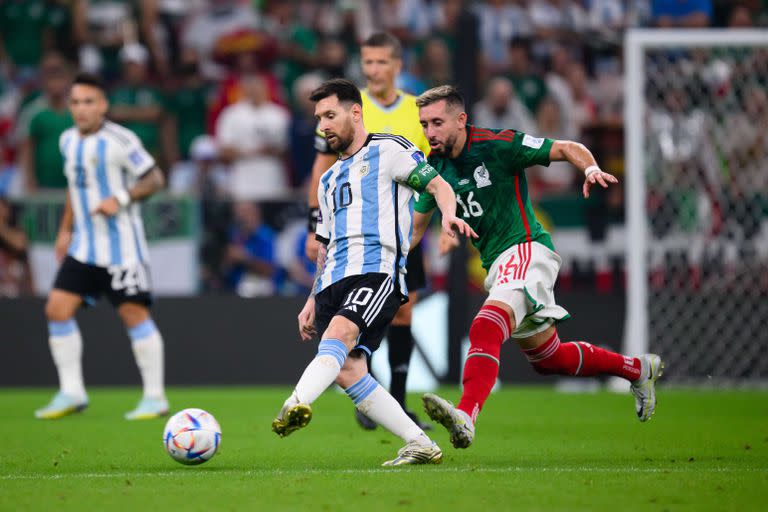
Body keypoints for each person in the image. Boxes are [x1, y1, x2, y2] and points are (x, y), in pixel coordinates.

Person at [411, 85, 663, 449]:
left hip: (528, 250)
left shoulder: (498, 145)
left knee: (486, 325)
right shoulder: (434, 168)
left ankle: (466, 415)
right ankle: (637, 369)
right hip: (498, 265)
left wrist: (590, 168)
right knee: (549, 359)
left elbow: (564, 147)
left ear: (461, 119)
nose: (430, 132)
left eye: (437, 122)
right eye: (424, 124)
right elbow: (415, 229)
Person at [271, 78, 476, 466]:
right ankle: (419, 443)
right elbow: (324, 248)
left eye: (331, 115)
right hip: (333, 279)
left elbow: (438, 185)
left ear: (355, 112)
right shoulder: (329, 180)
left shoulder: (390, 149)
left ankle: (295, 403)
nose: (324, 125)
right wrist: (311, 300)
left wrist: (449, 215)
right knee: (348, 370)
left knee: (339, 336)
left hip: (376, 272)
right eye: (319, 119)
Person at [305, 32, 433, 431]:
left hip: (406, 227)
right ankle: (367, 392)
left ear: (398, 65)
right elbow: (321, 166)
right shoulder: (345, 107)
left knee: (403, 309)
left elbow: (435, 172)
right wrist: (315, 224)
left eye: (380, 62)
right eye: (367, 61)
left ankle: (397, 397)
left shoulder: (418, 110)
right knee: (366, 309)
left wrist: (443, 222)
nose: (373, 69)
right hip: (355, 232)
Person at [35, 72, 169, 421]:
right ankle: (71, 392)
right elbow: (75, 188)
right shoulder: (67, 140)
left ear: (103, 105)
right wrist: (65, 230)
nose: (81, 109)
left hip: (122, 249)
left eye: (89, 102)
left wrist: (121, 197)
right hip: (84, 247)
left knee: (133, 315)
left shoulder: (120, 140)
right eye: (76, 102)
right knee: (56, 310)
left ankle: (155, 398)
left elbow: (155, 178)